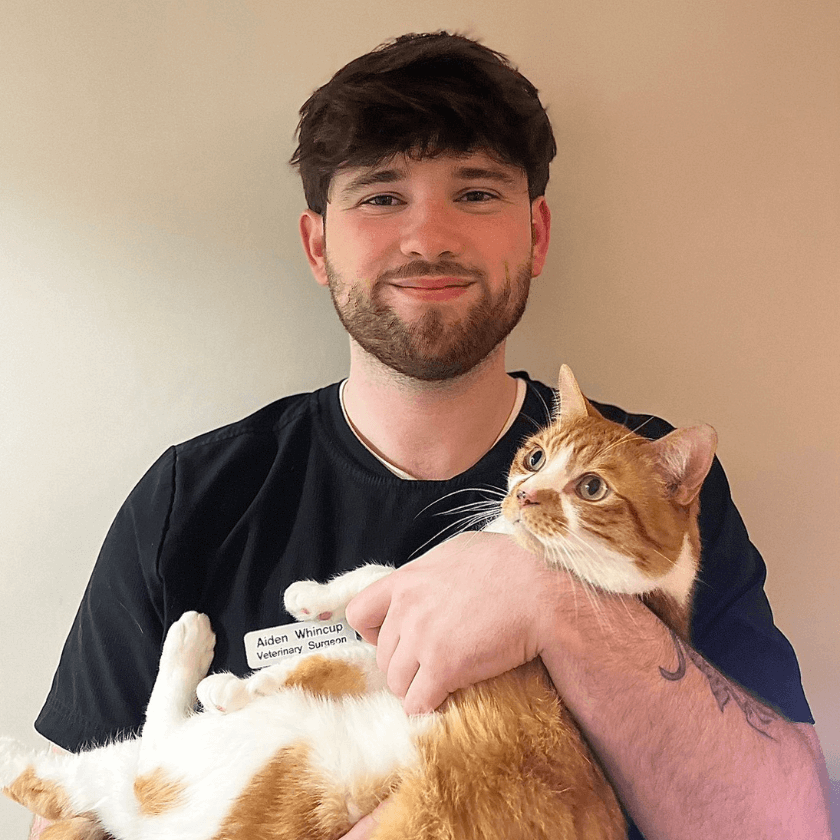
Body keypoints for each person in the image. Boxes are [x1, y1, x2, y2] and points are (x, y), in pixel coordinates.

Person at [31, 32, 830, 840]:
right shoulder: (193, 496)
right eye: (381, 197)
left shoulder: (644, 478)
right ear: (317, 245)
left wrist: (550, 599)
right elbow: (65, 821)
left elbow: (791, 819)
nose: (429, 238)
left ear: (537, 235)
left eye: (476, 194)